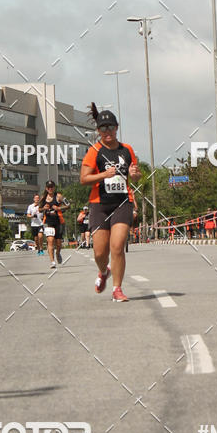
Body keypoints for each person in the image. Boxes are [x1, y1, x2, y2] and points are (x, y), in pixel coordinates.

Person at [80, 104, 141, 301]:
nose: (107, 132)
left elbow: (136, 175)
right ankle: (103, 271)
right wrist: (103, 174)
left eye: (111, 127)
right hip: (99, 205)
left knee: (117, 246)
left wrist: (135, 174)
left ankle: (117, 288)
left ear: (117, 128)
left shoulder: (126, 150)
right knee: (99, 253)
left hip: (123, 202)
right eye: (103, 128)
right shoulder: (94, 151)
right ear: (98, 131)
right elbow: (83, 179)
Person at [39, 181, 65, 269]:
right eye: (49, 187)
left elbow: (68, 205)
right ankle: (52, 261)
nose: (50, 189)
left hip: (58, 221)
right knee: (50, 241)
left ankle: (58, 253)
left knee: (58, 243)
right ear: (46, 188)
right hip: (48, 222)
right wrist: (43, 208)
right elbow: (39, 209)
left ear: (54, 187)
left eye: (52, 187)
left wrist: (59, 208)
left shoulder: (58, 196)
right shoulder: (43, 197)